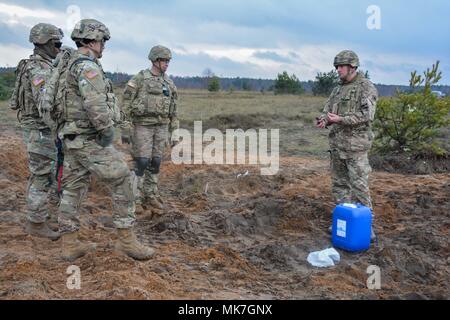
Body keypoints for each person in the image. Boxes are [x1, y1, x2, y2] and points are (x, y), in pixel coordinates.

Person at [56, 19, 154, 261]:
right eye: (102, 40)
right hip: (89, 139)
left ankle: (69, 246)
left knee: (72, 188)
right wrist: (107, 130)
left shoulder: (69, 64)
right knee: (123, 179)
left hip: (71, 137)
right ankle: (126, 241)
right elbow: (94, 102)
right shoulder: (87, 67)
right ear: (91, 40)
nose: (104, 45)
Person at [316, 50, 378, 239]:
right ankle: (343, 220)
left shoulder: (366, 87)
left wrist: (341, 119)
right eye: (336, 67)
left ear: (352, 67)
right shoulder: (337, 89)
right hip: (337, 146)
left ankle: (366, 226)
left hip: (356, 148)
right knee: (340, 186)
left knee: (359, 187)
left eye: (341, 66)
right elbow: (327, 110)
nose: (338, 70)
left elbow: (367, 115)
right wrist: (324, 120)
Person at [10, 23, 64, 240]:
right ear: (46, 43)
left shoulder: (41, 65)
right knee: (41, 176)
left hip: (43, 131)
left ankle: (41, 216)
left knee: (47, 175)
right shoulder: (39, 69)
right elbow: (45, 104)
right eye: (57, 44)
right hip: (41, 130)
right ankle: (36, 223)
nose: (59, 48)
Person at [122, 45, 179, 216]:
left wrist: (174, 131)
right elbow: (125, 104)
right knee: (141, 162)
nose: (167, 64)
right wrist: (125, 128)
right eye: (164, 61)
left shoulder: (169, 83)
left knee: (155, 162)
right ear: (155, 60)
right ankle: (135, 198)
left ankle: (150, 194)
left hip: (161, 126)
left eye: (168, 61)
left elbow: (174, 110)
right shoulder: (139, 79)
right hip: (143, 126)